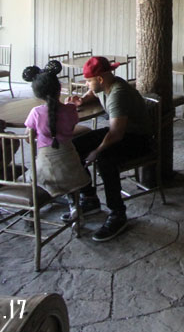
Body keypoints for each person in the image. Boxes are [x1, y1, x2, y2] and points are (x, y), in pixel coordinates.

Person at [66, 55, 153, 242]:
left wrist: (95, 152)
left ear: (99, 79)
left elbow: (116, 134)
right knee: (73, 147)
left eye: (89, 81)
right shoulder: (104, 85)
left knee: (105, 159)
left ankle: (117, 214)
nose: (87, 85)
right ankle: (89, 198)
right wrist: (82, 100)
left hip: (138, 139)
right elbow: (93, 93)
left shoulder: (117, 94)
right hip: (122, 131)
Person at [21, 60, 90, 201]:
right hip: (72, 168)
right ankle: (74, 205)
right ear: (59, 89)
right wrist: (71, 104)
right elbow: (71, 126)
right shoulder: (70, 110)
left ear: (37, 94)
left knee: (26, 176)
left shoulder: (36, 113)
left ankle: (45, 198)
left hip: (46, 169)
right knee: (68, 178)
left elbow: (28, 138)